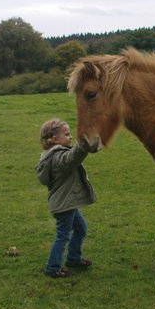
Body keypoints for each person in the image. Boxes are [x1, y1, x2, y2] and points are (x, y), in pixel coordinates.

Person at [36, 119, 99, 278]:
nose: (70, 137)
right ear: (54, 139)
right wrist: (83, 142)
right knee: (63, 235)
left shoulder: (55, 154)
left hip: (67, 203)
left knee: (80, 228)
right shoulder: (57, 158)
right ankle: (53, 267)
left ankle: (73, 258)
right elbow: (72, 158)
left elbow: (74, 154)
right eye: (67, 134)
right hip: (64, 205)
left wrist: (92, 142)